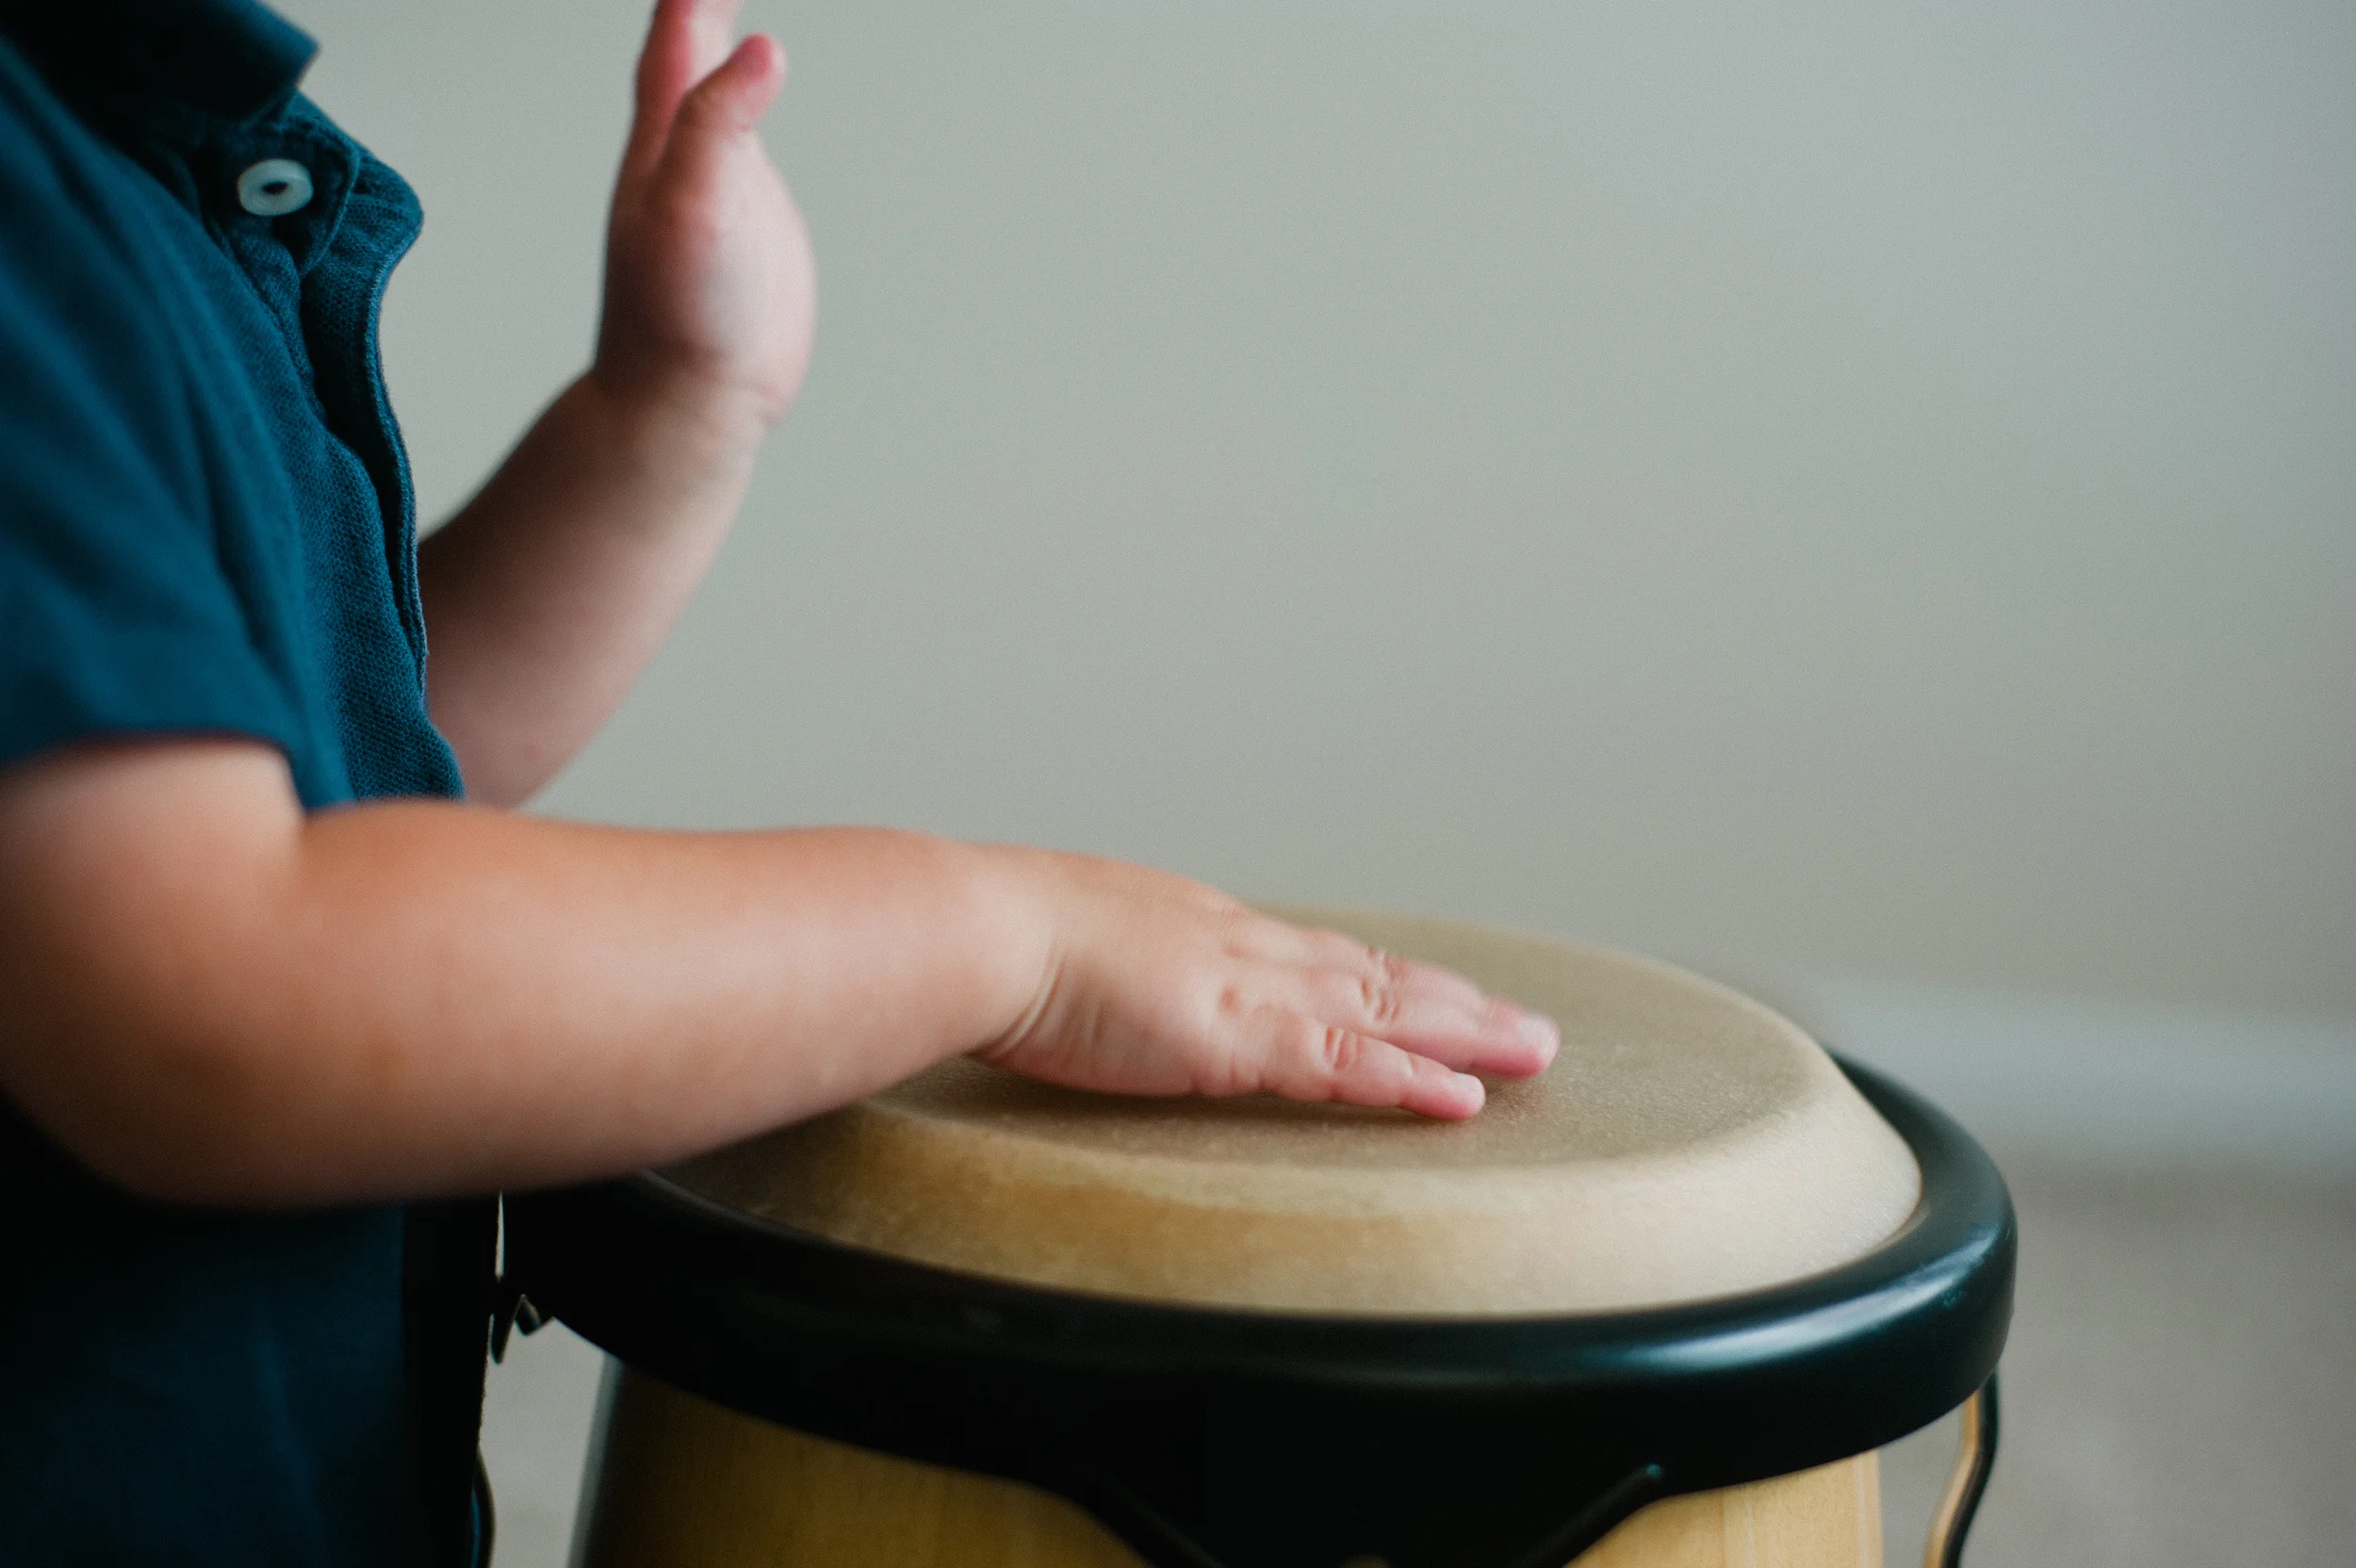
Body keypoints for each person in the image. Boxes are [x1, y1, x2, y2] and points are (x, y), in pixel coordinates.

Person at [0, 0, 1560, 1561]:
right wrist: (1011, 944)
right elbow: (218, 993)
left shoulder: (105, 153)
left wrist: (667, 416)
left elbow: (352, 771)